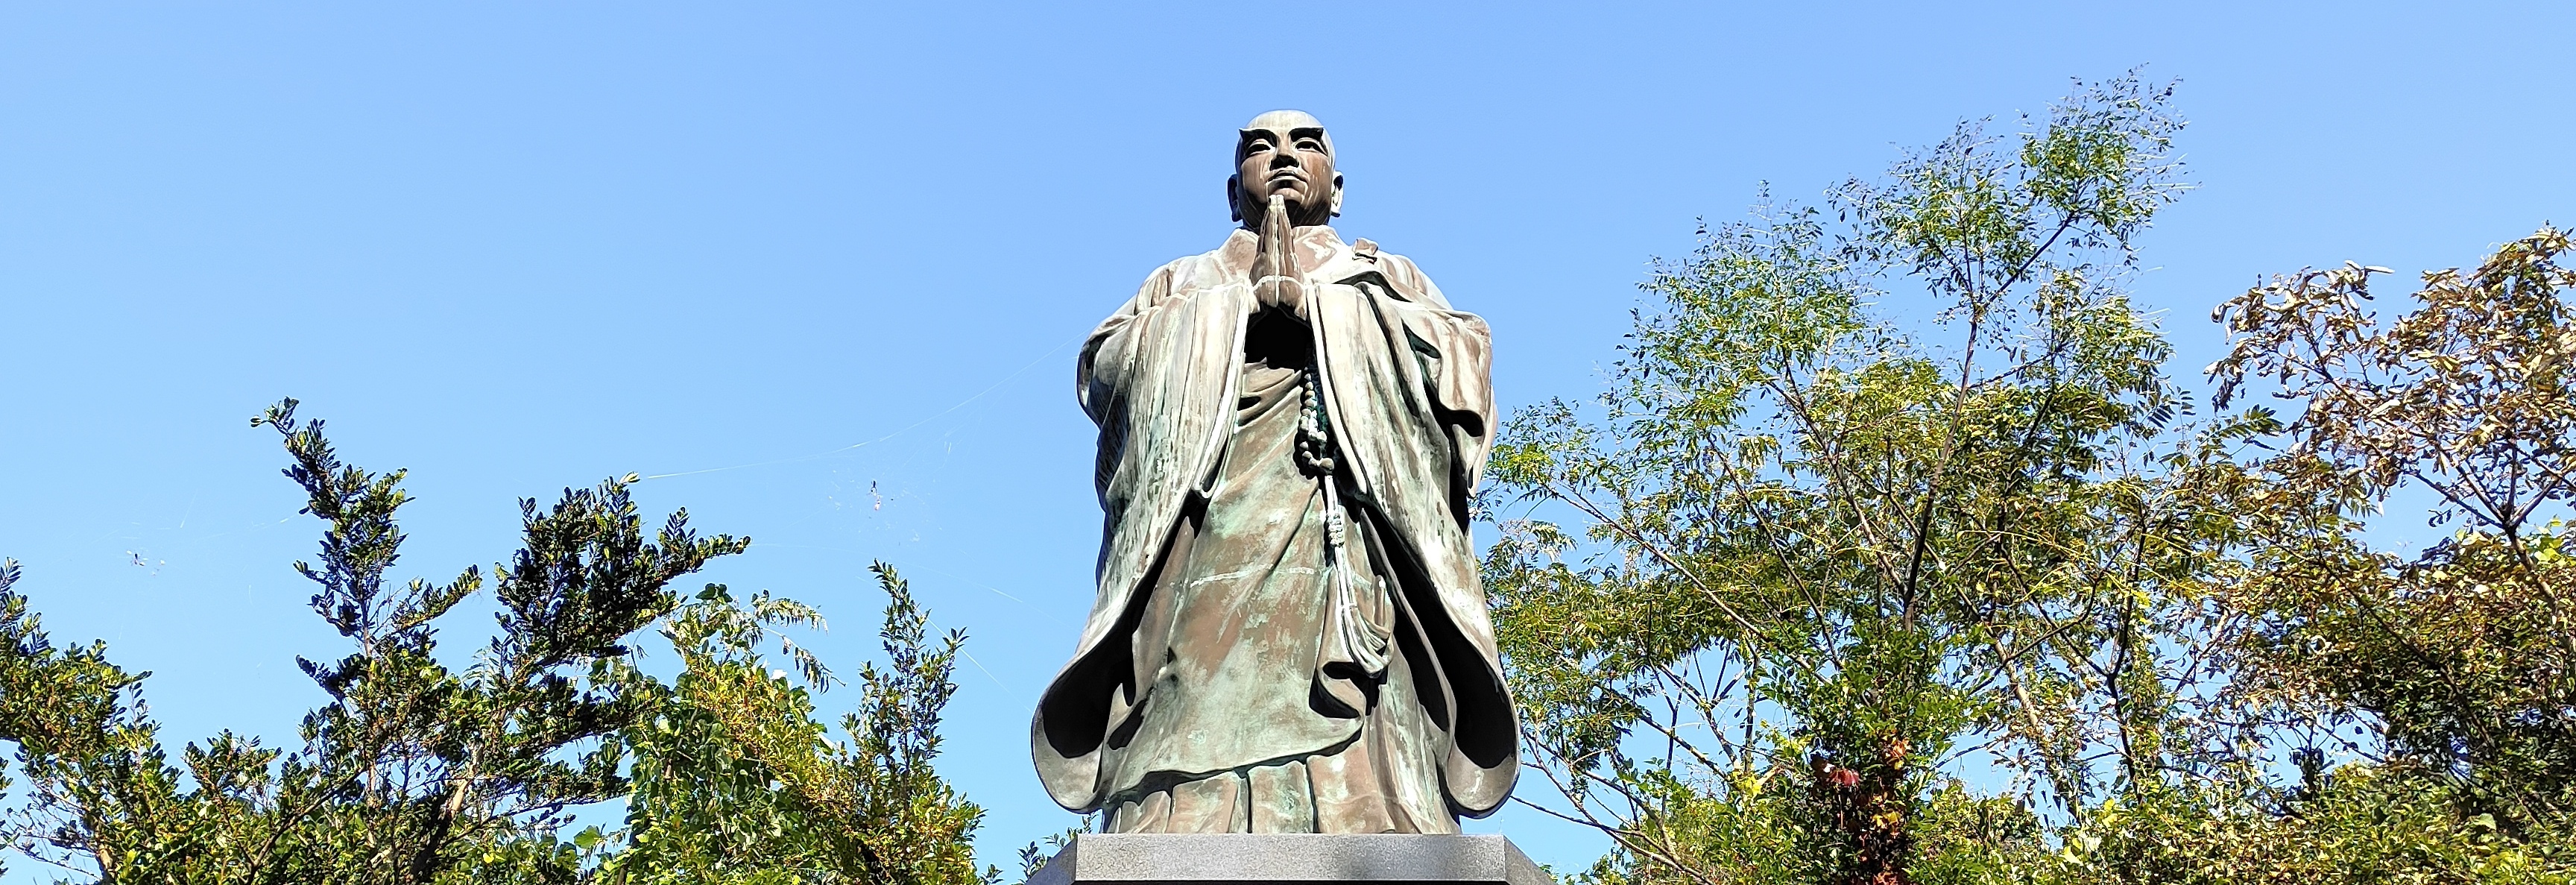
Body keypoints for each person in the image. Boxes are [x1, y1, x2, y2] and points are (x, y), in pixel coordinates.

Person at [1029, 110, 1517, 834]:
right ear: (1234, 192)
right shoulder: (1181, 282)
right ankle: (1179, 808)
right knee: (1186, 716)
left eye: (1305, 144)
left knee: (1367, 765)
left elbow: (1460, 365)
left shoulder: (1386, 277)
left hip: (1342, 547)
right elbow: (1104, 369)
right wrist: (1233, 314)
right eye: (1261, 147)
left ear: (1338, 187)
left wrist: (1324, 313)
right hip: (1206, 552)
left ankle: (1364, 802)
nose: (1283, 156)